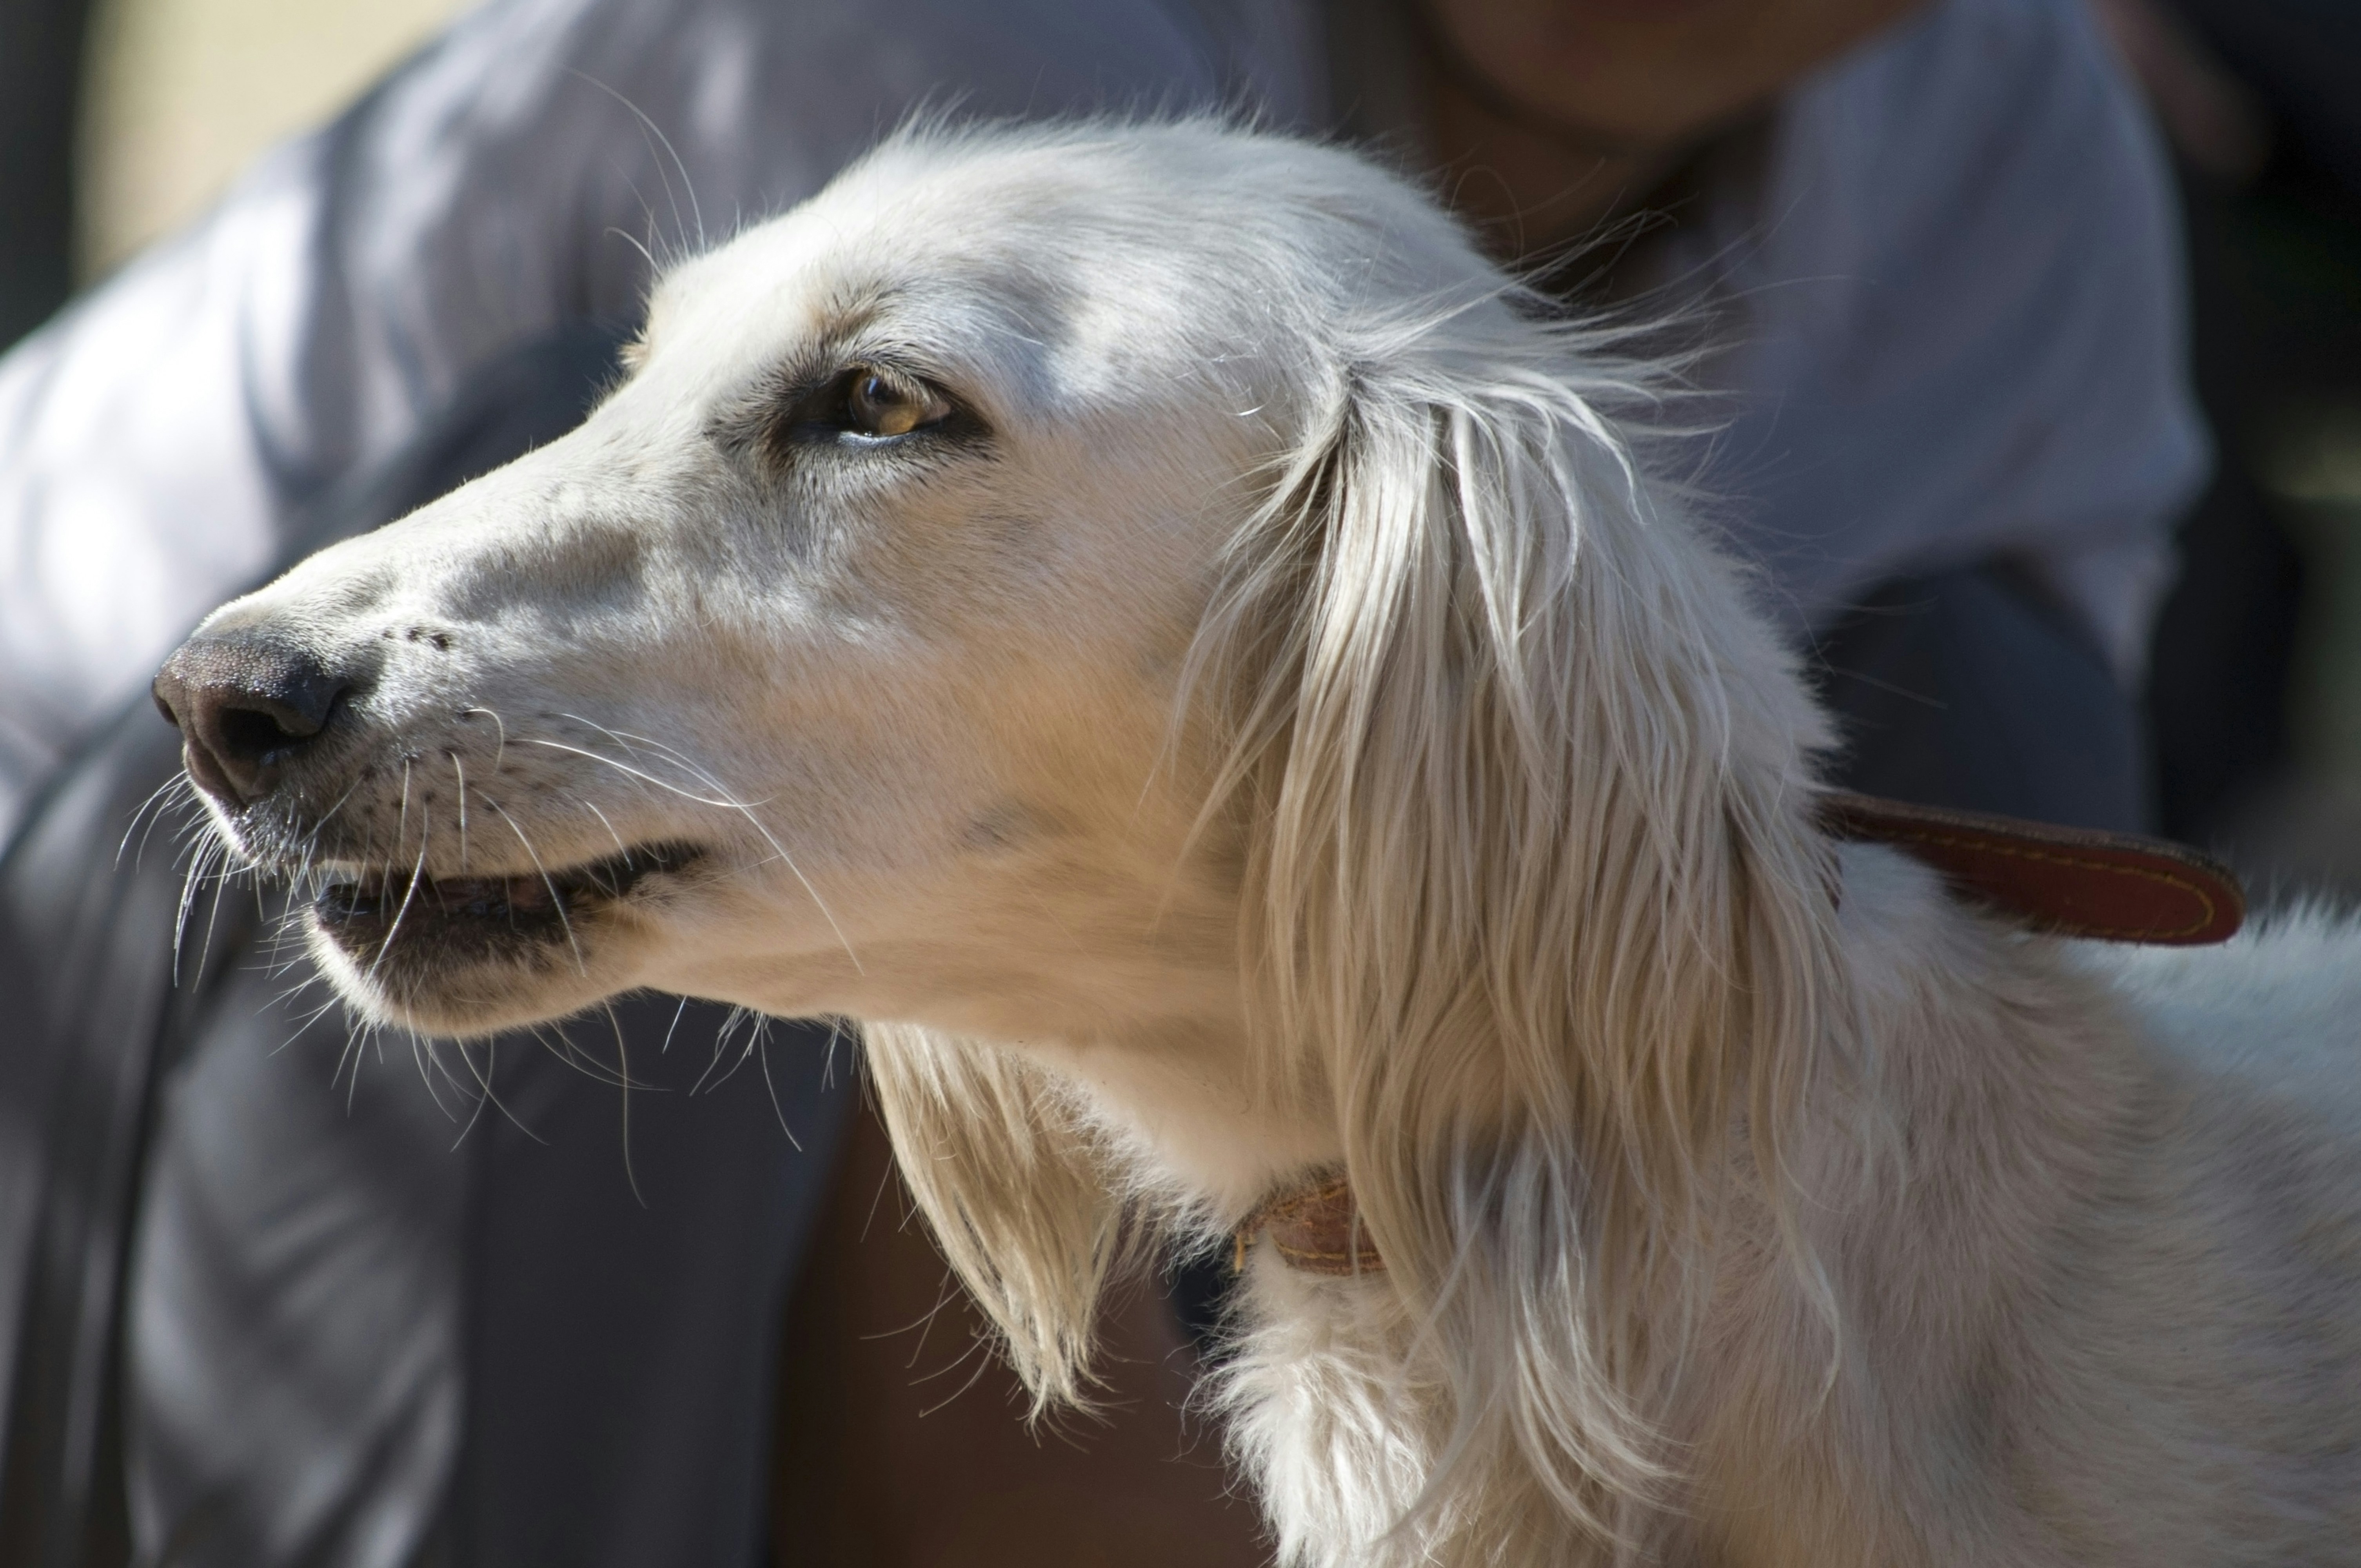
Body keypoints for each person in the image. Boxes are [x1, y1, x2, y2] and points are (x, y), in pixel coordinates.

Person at [0, 1, 2204, 1563]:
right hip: (113, 887)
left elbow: (1987, 884)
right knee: (887, 830)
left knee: (1971, 688)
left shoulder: (2017, 165)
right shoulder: (985, 89)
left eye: (868, 410)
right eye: (877, 406)